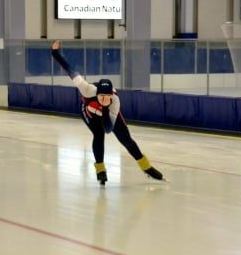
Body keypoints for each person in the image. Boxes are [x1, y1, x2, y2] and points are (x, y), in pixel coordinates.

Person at [51, 40, 164, 185]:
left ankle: (146, 166)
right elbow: (70, 70)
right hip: (89, 111)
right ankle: (100, 169)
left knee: (126, 139)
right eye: (102, 97)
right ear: (96, 93)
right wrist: (55, 53)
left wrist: (104, 108)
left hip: (107, 115)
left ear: (112, 95)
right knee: (98, 135)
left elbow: (109, 129)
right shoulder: (86, 89)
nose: (105, 99)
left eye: (108, 97)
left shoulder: (115, 102)